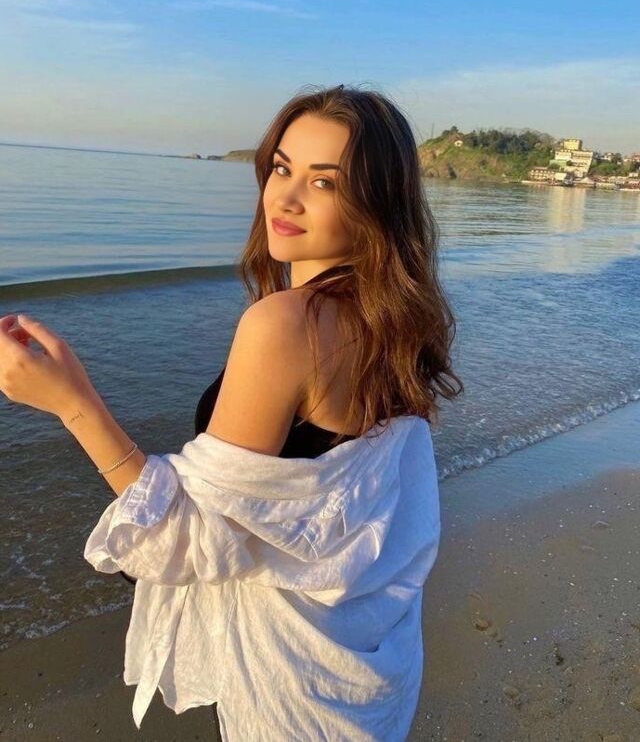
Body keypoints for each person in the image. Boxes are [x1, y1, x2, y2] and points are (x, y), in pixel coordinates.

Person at [0, 83, 464, 740]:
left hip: (292, 689)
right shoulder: (395, 323)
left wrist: (71, 403)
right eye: (282, 168)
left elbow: (186, 543)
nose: (285, 197)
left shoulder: (285, 326)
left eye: (324, 182)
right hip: (367, 663)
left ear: (376, 201)